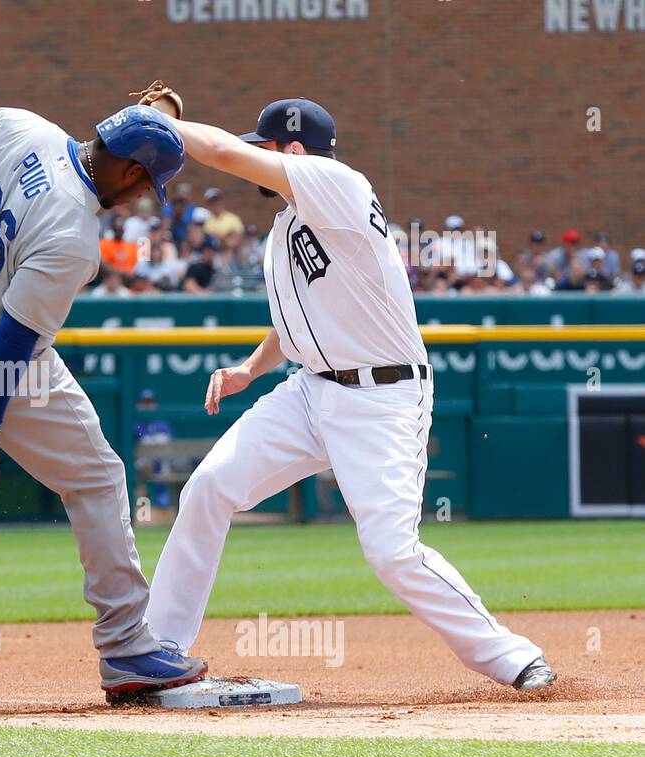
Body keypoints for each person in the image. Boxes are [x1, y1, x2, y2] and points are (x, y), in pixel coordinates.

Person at [141, 93, 555, 693]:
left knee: (391, 551)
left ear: (297, 151)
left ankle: (512, 657)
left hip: (382, 399)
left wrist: (169, 126)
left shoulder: (337, 184)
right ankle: (161, 646)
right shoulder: (288, 225)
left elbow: (226, 152)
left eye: (268, 149)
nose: (257, 159)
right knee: (208, 487)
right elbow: (298, 323)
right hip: (309, 393)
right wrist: (249, 371)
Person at [0, 98, 207, 712]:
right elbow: (12, 347)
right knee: (98, 480)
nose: (141, 197)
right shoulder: (74, 235)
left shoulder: (20, 125)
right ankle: (126, 644)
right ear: (129, 172)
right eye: (145, 185)